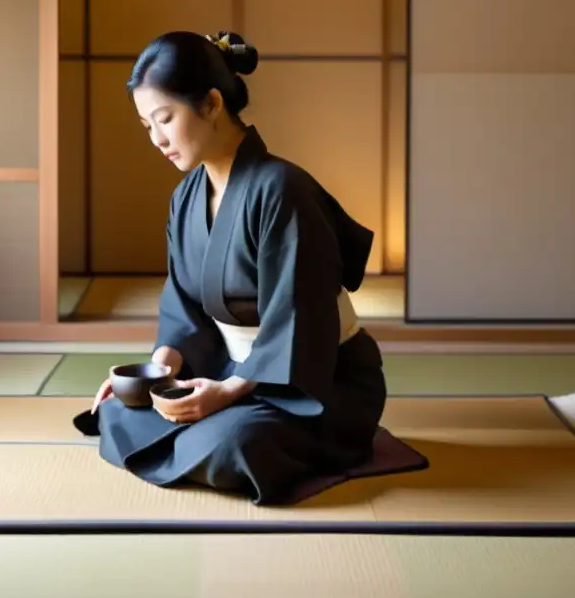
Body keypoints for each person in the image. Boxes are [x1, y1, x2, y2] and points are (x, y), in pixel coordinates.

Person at [81, 29, 388, 506]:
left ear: (210, 104)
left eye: (165, 119)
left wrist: (227, 393)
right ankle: (204, 423)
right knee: (121, 413)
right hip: (231, 367)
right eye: (147, 127)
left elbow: (301, 321)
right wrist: (156, 374)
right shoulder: (186, 197)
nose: (158, 139)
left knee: (235, 444)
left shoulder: (283, 191)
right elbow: (184, 304)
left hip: (316, 379)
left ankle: (228, 429)